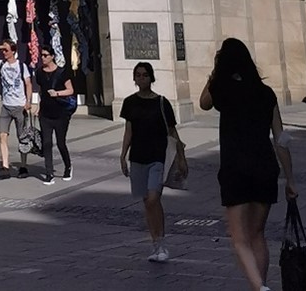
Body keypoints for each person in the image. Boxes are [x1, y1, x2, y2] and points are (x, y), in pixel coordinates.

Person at [200, 38, 296, 291]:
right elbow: (281, 138)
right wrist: (290, 179)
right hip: (265, 167)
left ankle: (259, 288)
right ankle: (261, 283)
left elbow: (203, 102)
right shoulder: (266, 93)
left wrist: (215, 71)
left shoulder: (222, 88)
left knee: (239, 238)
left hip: (235, 168)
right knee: (257, 234)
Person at [119, 61, 187, 263]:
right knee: (146, 203)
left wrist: (182, 158)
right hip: (138, 156)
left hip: (158, 156)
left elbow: (172, 131)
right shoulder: (130, 102)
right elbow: (128, 130)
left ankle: (162, 243)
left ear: (151, 77)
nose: (141, 78)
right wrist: (123, 155)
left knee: (152, 198)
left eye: (145, 75)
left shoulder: (162, 102)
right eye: (138, 75)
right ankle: (155, 244)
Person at [0, 40, 31, 177]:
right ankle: (5, 166)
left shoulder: (21, 66)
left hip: (19, 106)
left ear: (13, 51)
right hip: (6, 106)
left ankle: (23, 166)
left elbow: (28, 84)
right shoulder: (1, 64)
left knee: (22, 138)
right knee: (2, 136)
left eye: (6, 50)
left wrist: (28, 102)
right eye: (3, 50)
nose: (4, 52)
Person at [36, 50, 75, 185]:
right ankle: (49, 173)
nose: (43, 57)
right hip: (45, 114)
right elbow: (41, 90)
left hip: (61, 114)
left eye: (45, 55)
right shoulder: (39, 72)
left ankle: (68, 166)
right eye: (42, 55)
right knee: (46, 144)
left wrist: (57, 93)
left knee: (60, 143)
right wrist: (38, 106)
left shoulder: (62, 72)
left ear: (52, 56)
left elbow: (70, 90)